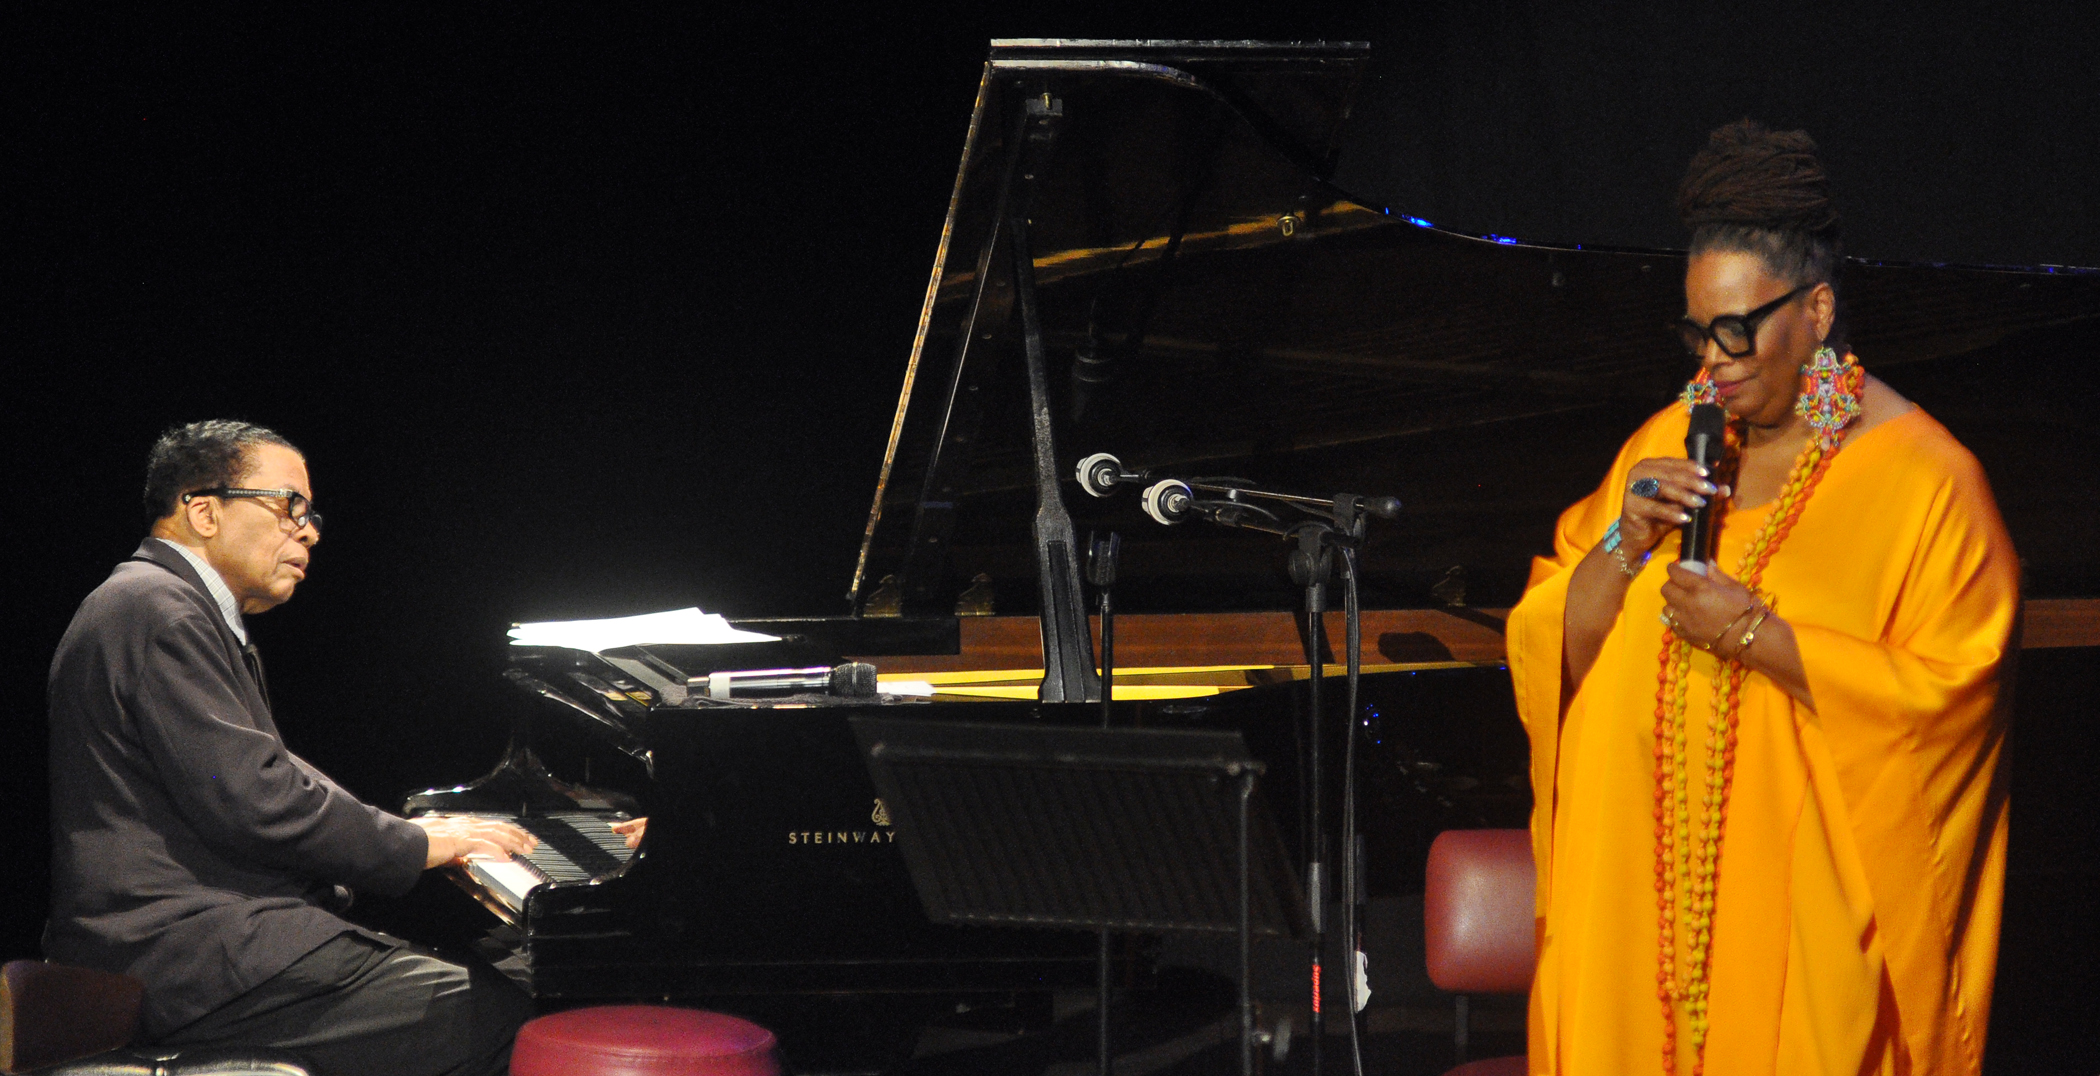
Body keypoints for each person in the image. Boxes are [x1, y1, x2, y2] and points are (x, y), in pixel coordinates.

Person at [1507, 122, 2017, 1074]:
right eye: (1700, 332)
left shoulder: (1927, 483)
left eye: (1740, 328)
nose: (1718, 360)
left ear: (1818, 311)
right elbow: (1555, 654)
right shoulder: (1672, 435)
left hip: (1799, 932)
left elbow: (1954, 701)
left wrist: (1755, 633)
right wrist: (1624, 543)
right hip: (1637, 905)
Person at [46, 419, 542, 1076]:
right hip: (185, 955)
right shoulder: (158, 611)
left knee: (481, 979)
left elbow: (266, 771)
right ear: (202, 509)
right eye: (288, 506)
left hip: (193, 945)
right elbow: (253, 799)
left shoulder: (163, 605)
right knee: (508, 1020)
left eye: (309, 514)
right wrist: (417, 846)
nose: (307, 531)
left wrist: (410, 834)